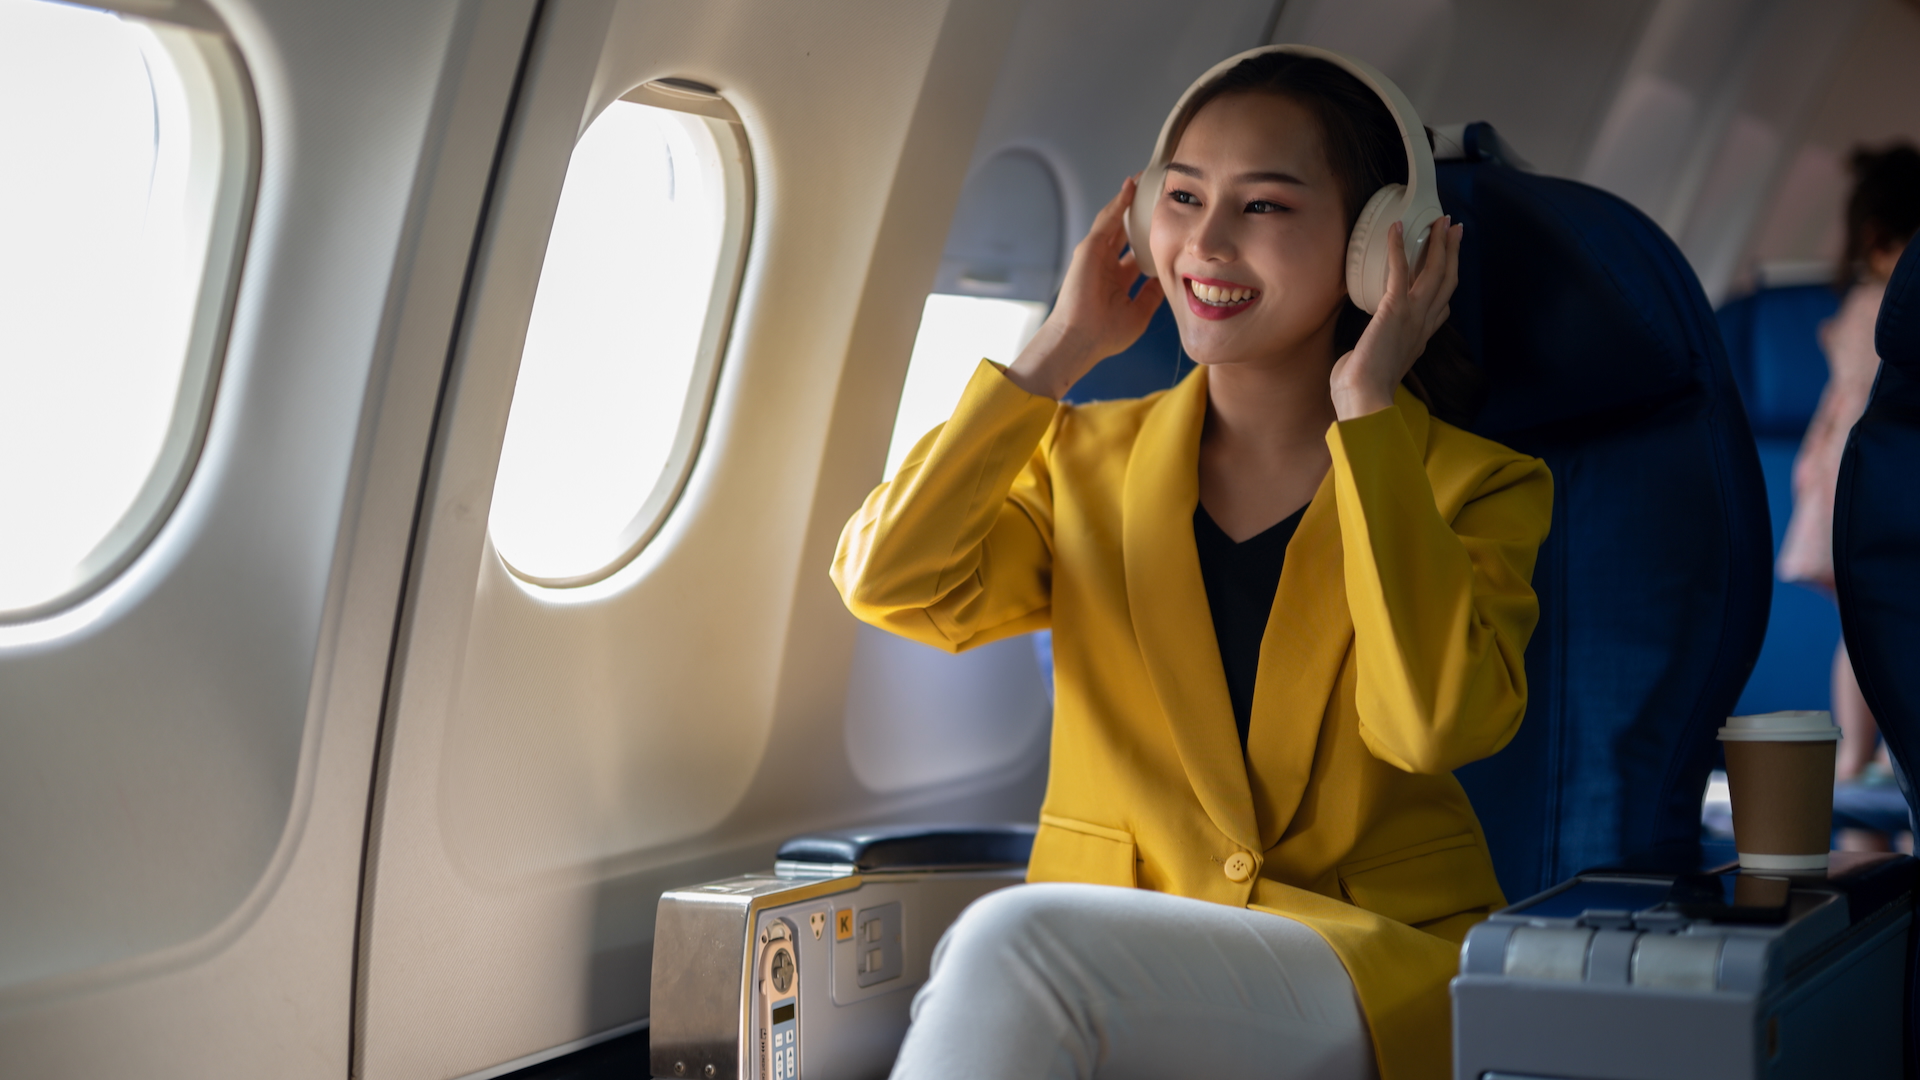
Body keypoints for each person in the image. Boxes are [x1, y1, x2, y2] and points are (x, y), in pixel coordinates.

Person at [832, 49, 1551, 1080]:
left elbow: (1429, 724)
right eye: (1181, 198)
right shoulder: (1082, 457)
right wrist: (1055, 354)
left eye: (1262, 207)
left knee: (1012, 946)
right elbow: (887, 580)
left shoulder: (1472, 484)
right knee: (1020, 951)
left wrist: (1372, 416)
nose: (1205, 243)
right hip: (1123, 946)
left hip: (1357, 962)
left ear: (1372, 246)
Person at [1777, 144, 1920, 793]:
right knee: (1873, 633)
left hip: (1854, 481)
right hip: (1869, 489)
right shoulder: (1884, 309)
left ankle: (1872, 755)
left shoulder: (1866, 302)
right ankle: (1864, 755)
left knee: (1870, 632)